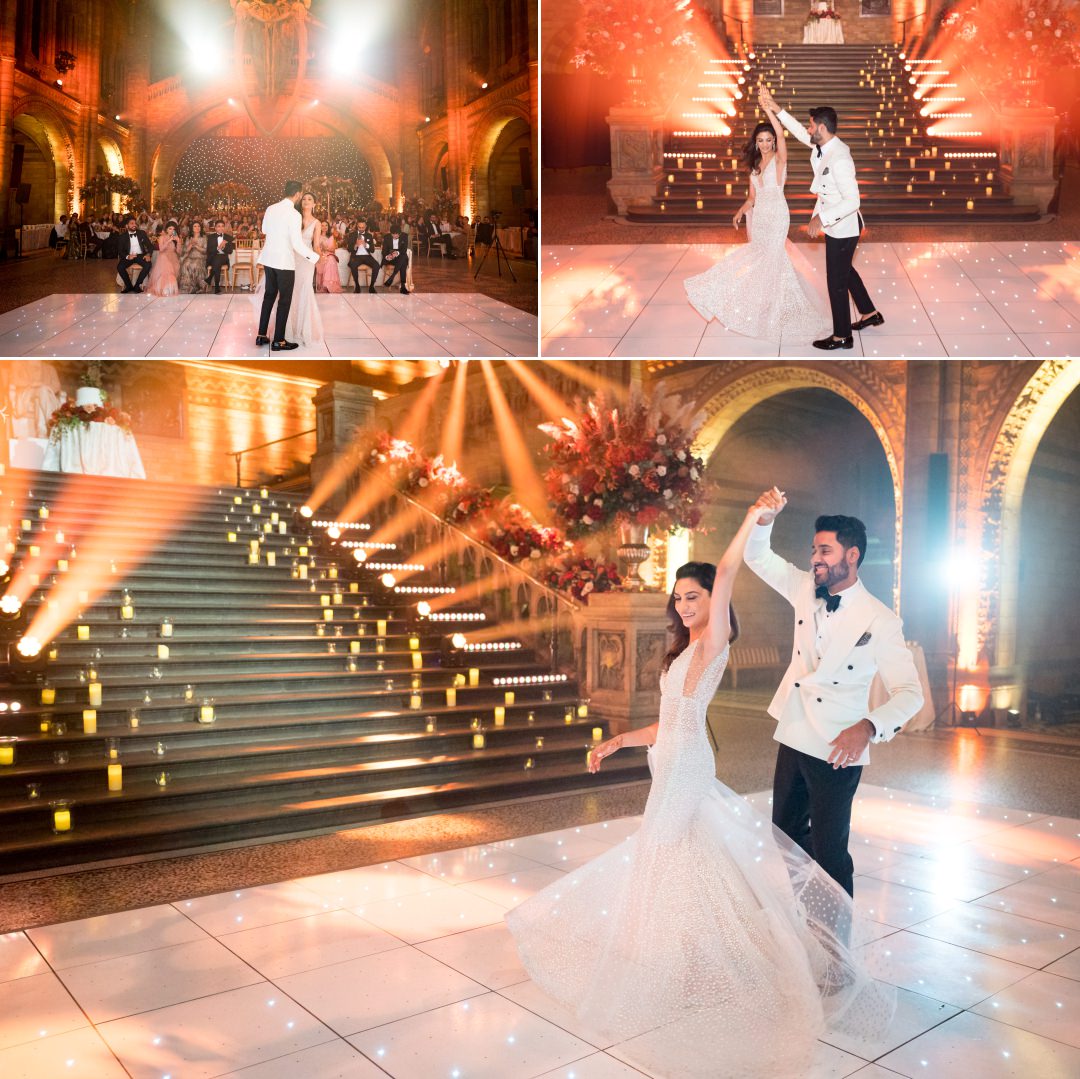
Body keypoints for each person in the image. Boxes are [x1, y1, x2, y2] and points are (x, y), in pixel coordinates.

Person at [507, 497, 894, 1079]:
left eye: (696, 597)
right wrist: (618, 741)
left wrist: (752, 519)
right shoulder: (680, 651)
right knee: (676, 859)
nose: (686, 606)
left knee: (660, 852)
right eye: (681, 598)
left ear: (714, 604)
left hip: (687, 769)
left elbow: (735, 570)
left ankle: (683, 964)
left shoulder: (714, 643)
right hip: (668, 758)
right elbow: (670, 720)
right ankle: (681, 955)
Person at [744, 490, 924, 898]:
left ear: (853, 555)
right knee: (785, 837)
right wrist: (764, 520)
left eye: (825, 550)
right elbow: (756, 558)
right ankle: (808, 910)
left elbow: (910, 694)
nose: (815, 559)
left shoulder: (881, 619)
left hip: (840, 746)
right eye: (813, 550)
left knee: (830, 851)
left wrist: (869, 726)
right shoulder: (805, 588)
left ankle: (835, 942)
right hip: (794, 732)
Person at [685, 110, 831, 341]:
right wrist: (741, 210)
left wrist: (770, 111)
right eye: (761, 140)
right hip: (761, 217)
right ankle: (773, 305)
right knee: (763, 259)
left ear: (774, 141)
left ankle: (779, 310)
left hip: (778, 216)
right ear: (756, 142)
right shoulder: (754, 167)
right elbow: (752, 198)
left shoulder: (780, 159)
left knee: (774, 258)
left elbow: (783, 137)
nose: (765, 144)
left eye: (769, 140)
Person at [759, 87, 884, 349]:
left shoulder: (839, 158)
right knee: (845, 271)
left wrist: (821, 219)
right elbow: (794, 129)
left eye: (811, 125)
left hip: (844, 227)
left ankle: (842, 336)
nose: (807, 129)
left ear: (822, 129)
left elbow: (853, 200)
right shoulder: (822, 146)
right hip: (838, 226)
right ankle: (870, 314)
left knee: (836, 281)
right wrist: (774, 107)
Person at [255, 179, 319, 351]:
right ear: (298, 194)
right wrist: (314, 257)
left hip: (269, 259)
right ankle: (279, 341)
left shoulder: (271, 208)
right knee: (284, 300)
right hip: (284, 263)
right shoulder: (294, 215)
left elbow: (264, 231)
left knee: (269, 296)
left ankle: (261, 335)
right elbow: (297, 244)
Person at [283, 192, 324, 346]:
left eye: (310, 199)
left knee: (304, 292)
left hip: (307, 262)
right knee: (290, 292)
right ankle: (289, 331)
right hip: (291, 259)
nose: (306, 201)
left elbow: (316, 246)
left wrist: (320, 259)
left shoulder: (317, 223)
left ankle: (302, 331)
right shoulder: (295, 218)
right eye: (304, 199)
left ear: (314, 204)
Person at [116, 215, 154, 293]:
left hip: (140, 255)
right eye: (132, 223)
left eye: (135, 223)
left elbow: (150, 246)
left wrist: (148, 254)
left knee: (148, 265)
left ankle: (137, 286)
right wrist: (127, 256)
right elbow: (120, 251)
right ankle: (129, 286)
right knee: (120, 267)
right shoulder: (122, 236)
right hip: (129, 255)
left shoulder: (142, 233)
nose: (134, 225)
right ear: (127, 226)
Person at [146, 221, 181, 297]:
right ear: (166, 229)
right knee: (168, 273)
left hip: (173, 257)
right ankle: (163, 290)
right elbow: (161, 249)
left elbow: (178, 252)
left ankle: (171, 289)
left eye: (173, 229)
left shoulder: (176, 238)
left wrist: (178, 242)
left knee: (174, 273)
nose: (172, 231)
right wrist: (169, 240)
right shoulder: (162, 237)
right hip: (164, 257)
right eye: (170, 229)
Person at [344, 221, 380, 293]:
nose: (361, 229)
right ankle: (357, 286)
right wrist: (355, 245)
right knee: (353, 265)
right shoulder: (352, 235)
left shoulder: (369, 235)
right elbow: (349, 249)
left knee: (377, 265)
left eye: (362, 227)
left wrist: (365, 245)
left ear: (365, 227)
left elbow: (372, 250)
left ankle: (372, 286)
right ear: (357, 227)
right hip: (356, 256)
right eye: (359, 227)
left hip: (367, 256)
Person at [178, 220, 210, 294]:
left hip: (200, 257)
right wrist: (190, 245)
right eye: (195, 226)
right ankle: (189, 287)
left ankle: (200, 286)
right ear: (191, 228)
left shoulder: (204, 237)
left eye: (198, 226)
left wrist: (196, 246)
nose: (197, 228)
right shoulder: (189, 238)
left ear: (201, 228)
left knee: (195, 264)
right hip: (190, 256)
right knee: (185, 264)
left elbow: (205, 250)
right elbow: (185, 250)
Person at [205, 220, 234, 294]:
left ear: (224, 227)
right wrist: (219, 247)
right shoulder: (210, 237)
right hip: (213, 258)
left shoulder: (228, 237)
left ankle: (210, 279)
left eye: (222, 226)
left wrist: (223, 248)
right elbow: (209, 250)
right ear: (215, 228)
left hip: (224, 258)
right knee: (217, 261)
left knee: (217, 260)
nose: (221, 228)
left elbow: (230, 251)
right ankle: (216, 287)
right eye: (218, 226)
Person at [381, 222, 409, 293]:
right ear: (391, 233)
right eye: (393, 234)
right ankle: (403, 286)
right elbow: (384, 251)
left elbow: (404, 250)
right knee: (404, 259)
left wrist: (397, 253)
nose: (395, 236)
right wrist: (388, 256)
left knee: (403, 258)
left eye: (397, 234)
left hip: (399, 257)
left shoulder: (404, 236)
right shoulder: (386, 237)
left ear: (400, 233)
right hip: (391, 259)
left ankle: (393, 277)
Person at [315, 228, 343, 294]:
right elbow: (315, 247)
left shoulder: (330, 237)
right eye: (322, 225)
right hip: (319, 254)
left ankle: (329, 284)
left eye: (326, 225)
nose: (324, 227)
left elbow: (333, 249)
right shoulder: (317, 236)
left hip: (328, 254)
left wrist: (326, 249)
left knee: (331, 259)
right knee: (328, 259)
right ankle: (325, 284)